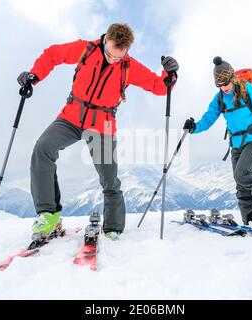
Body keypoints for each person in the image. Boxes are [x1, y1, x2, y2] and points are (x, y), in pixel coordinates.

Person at [17, 23, 179, 241]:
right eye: (110, 54)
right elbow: (53, 54)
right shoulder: (86, 50)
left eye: (118, 57)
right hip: (71, 117)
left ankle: (113, 227)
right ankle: (49, 214)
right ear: (105, 41)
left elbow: (159, 87)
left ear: (126, 51)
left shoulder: (129, 67)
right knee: (43, 149)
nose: (113, 60)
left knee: (109, 177)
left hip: (102, 124)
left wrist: (170, 75)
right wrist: (34, 75)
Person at [184, 56, 252, 225]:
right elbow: (209, 118)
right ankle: (251, 223)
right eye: (220, 85)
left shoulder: (248, 90)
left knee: (242, 174)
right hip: (236, 144)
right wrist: (194, 127)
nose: (224, 87)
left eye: (226, 83)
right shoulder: (220, 98)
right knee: (242, 187)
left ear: (233, 78)